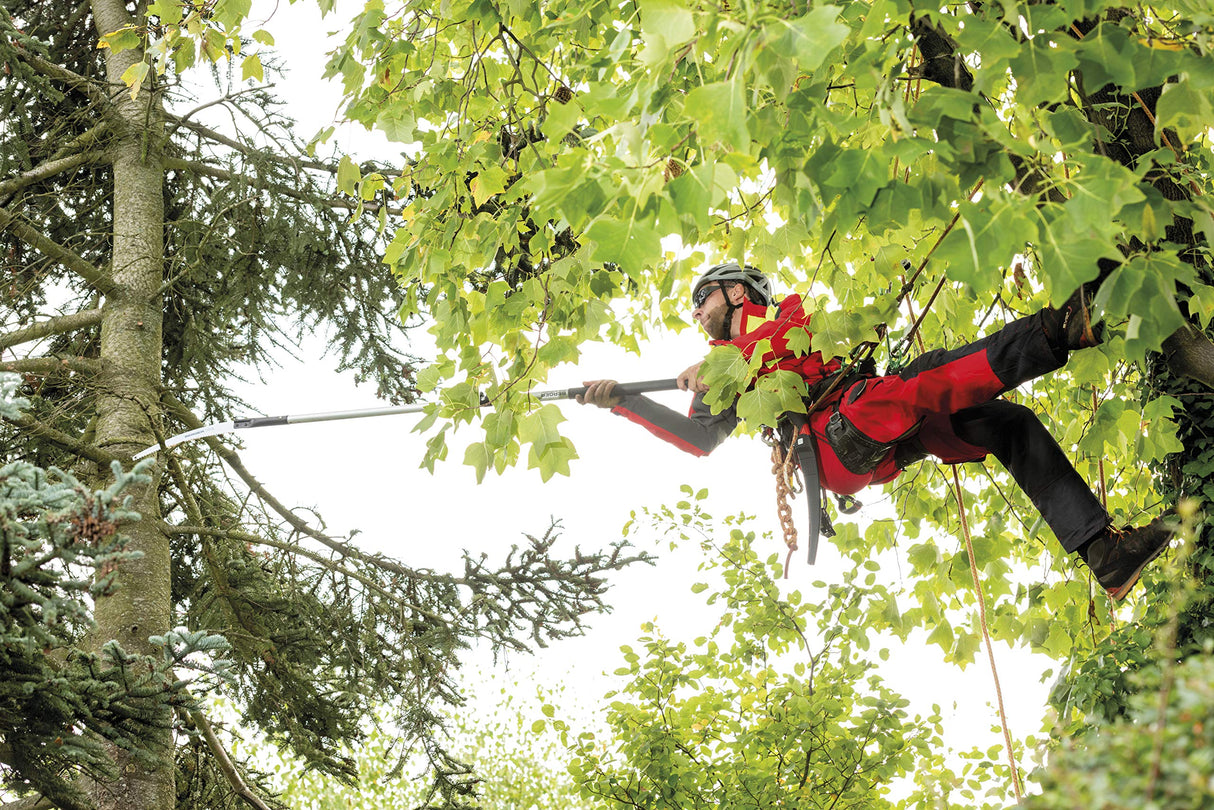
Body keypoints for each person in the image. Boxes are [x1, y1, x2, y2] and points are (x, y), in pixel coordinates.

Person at [578, 262, 1173, 600]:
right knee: (924, 382)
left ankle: (1104, 553)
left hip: (875, 431)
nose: (697, 315)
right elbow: (697, 442)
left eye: (701, 301)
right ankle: (1059, 330)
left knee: (1003, 425)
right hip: (833, 440)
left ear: (735, 293)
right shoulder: (719, 375)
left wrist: (711, 367)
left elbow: (782, 341)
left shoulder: (781, 319)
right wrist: (624, 404)